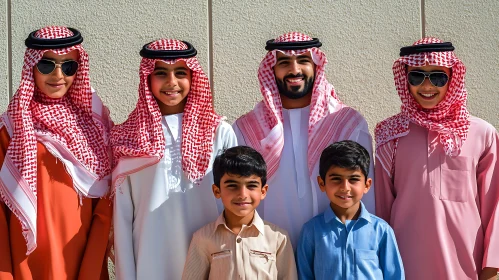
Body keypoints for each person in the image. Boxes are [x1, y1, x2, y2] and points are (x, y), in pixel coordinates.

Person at [233, 32, 374, 246]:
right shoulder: (247, 128)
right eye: (284, 62)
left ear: (316, 66)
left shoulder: (347, 123)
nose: (295, 69)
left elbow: (367, 199)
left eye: (303, 61)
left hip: (335, 249)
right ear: (271, 69)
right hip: (269, 252)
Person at [112, 38, 237, 279]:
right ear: (148, 78)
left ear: (193, 78)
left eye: (180, 72)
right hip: (150, 257)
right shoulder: (127, 137)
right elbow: (123, 215)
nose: (172, 82)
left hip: (212, 256)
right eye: (161, 73)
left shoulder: (219, 132)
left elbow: (234, 202)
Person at [375, 37, 499, 279]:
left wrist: (492, 267)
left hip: (467, 267)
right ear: (405, 80)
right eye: (417, 76)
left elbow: (495, 205)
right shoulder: (390, 134)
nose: (427, 86)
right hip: (403, 266)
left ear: (453, 79)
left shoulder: (482, 133)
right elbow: (381, 208)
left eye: (438, 77)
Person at [0, 26, 113, 279]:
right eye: (47, 65)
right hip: (26, 259)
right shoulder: (11, 128)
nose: (58, 75)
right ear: (31, 67)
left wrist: (93, 264)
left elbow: (104, 206)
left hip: (81, 251)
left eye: (68, 66)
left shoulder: (95, 124)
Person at [182, 146, 297, 280]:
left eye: (251, 185)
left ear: (263, 191)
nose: (242, 194)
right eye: (232, 185)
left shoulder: (278, 238)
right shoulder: (202, 238)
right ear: (217, 191)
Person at [297, 140, 404, 279]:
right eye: (336, 179)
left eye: (353, 179)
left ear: (367, 185)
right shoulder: (311, 231)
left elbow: (395, 275)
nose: (345, 187)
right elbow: (303, 275)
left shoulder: (381, 231)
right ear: (322, 183)